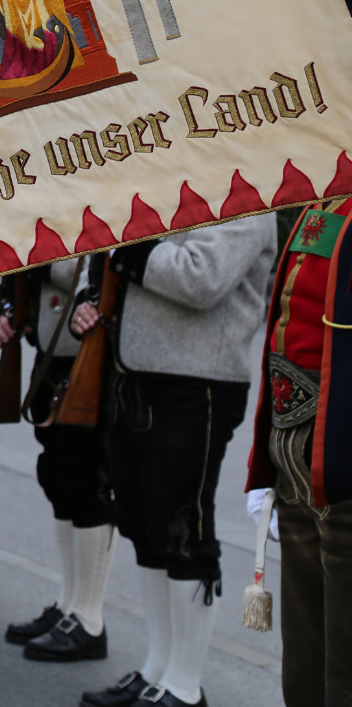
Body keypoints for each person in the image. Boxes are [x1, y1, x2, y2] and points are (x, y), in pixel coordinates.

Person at [71, 219, 275, 707]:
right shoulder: (170, 180)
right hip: (134, 371)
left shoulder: (245, 193)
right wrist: (88, 295)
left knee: (184, 531)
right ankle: (156, 669)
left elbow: (201, 277)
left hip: (198, 381)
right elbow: (103, 255)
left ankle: (183, 686)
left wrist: (125, 252)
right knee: (144, 526)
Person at [245, 200, 352, 707]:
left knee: (345, 667)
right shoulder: (326, 193)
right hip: (298, 456)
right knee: (305, 660)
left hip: (344, 459)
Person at [0, 259, 116, 665]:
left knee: (86, 481)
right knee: (59, 478)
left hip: (86, 352)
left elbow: (94, 267)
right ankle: (68, 605)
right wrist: (9, 305)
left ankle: (89, 616)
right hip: (52, 349)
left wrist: (40, 258)